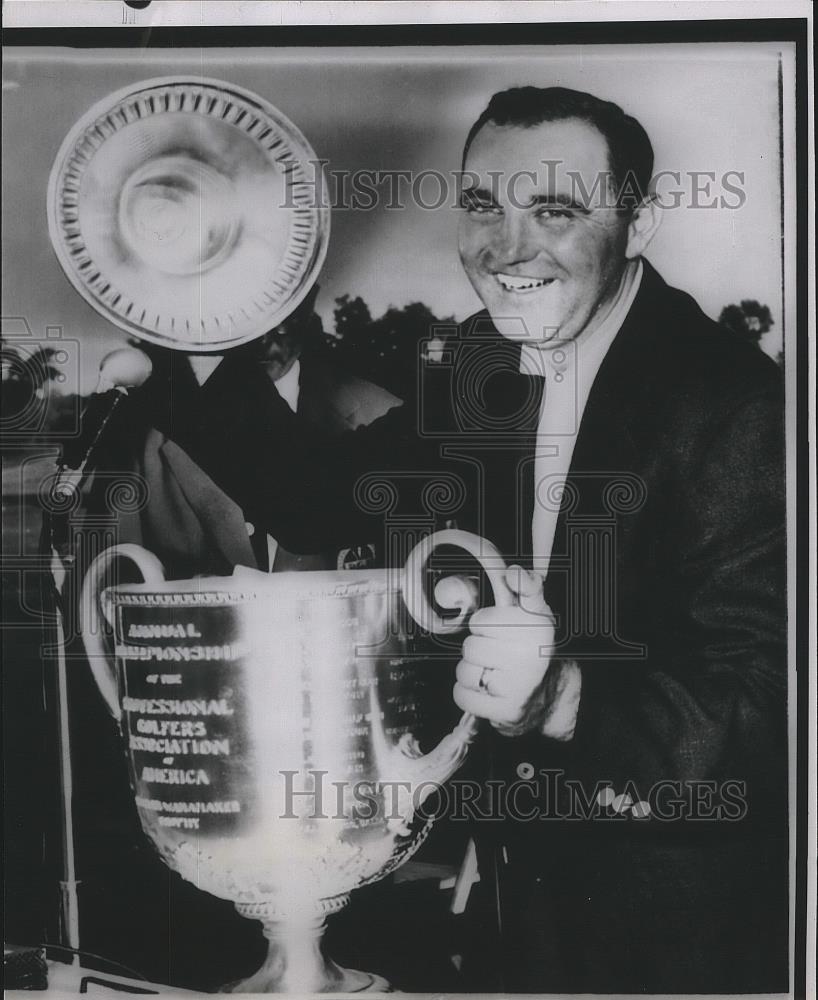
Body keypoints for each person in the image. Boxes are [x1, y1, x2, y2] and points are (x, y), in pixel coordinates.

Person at [257, 85, 787, 993]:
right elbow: (316, 500)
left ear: (640, 221)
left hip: (692, 940)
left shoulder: (737, 405)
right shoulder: (483, 361)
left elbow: (766, 712)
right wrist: (191, 347)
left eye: (554, 211)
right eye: (482, 207)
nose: (507, 250)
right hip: (518, 913)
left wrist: (562, 701)